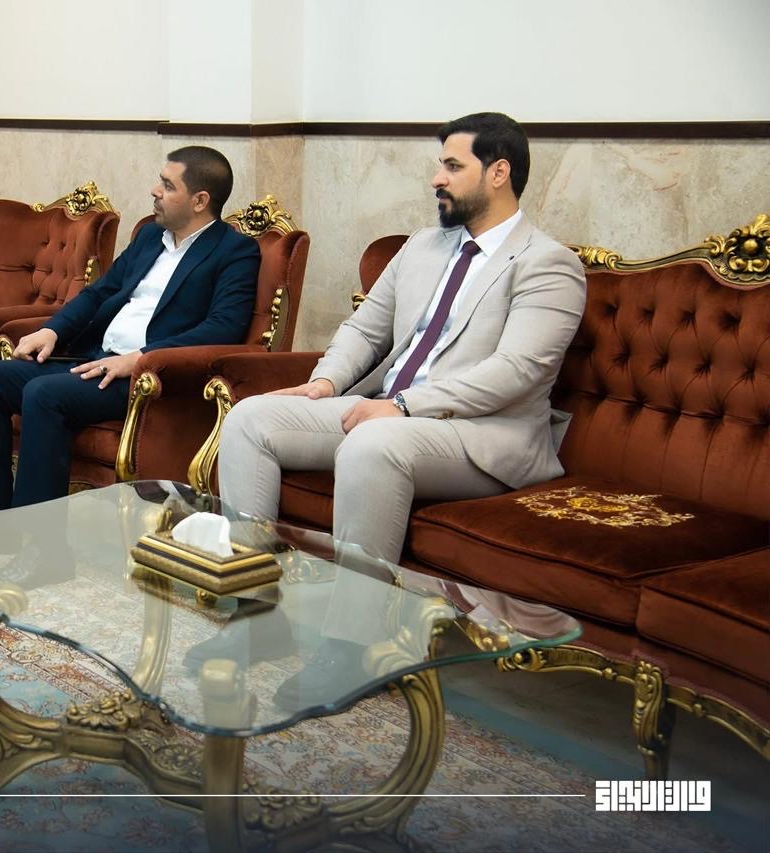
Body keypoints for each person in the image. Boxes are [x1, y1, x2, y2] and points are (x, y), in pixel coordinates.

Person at [213, 112, 587, 707]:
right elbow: (365, 329)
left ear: (498, 173)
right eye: (440, 165)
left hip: (483, 435)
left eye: (452, 166)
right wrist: (324, 383)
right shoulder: (421, 246)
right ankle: (257, 612)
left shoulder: (547, 263)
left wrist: (404, 406)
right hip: (391, 416)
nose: (436, 179)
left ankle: (352, 646)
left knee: (373, 442)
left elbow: (519, 371)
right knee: (250, 419)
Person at [0, 146, 262, 558]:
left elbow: (223, 327)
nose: (155, 190)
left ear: (200, 200)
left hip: (149, 378)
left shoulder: (234, 252)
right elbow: (100, 292)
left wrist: (140, 358)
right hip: (94, 358)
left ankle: (42, 552)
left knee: (44, 394)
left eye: (168, 185)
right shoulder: (149, 237)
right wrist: (52, 330)